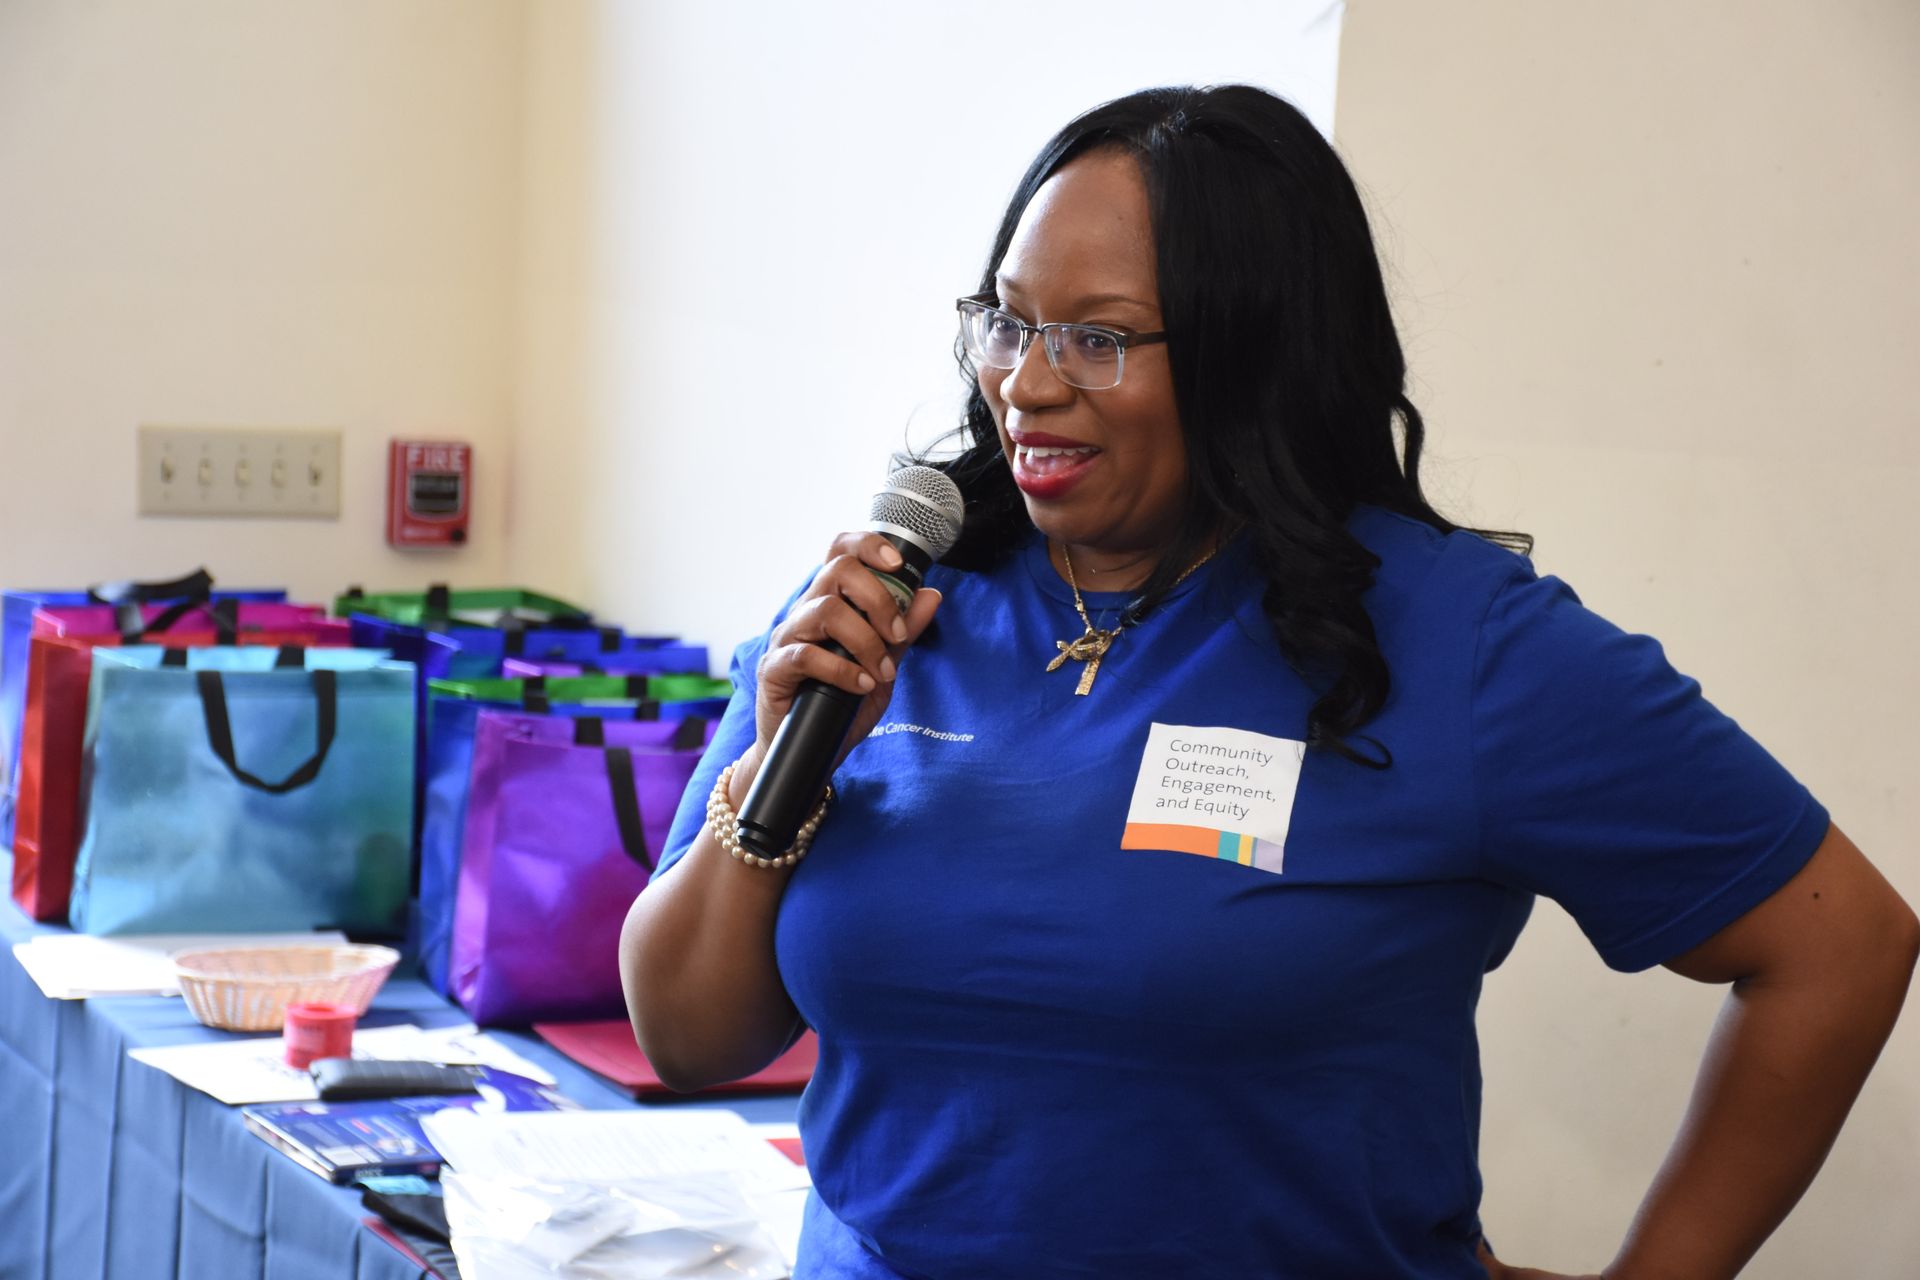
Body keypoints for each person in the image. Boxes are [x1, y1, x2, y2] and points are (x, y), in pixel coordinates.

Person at [620, 84, 1917, 1279]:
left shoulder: (1453, 642)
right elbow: (688, 1037)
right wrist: (772, 780)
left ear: (1257, 355)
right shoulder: (894, 600)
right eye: (1007, 320)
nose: (1023, 382)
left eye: (1100, 338)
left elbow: (1840, 943)